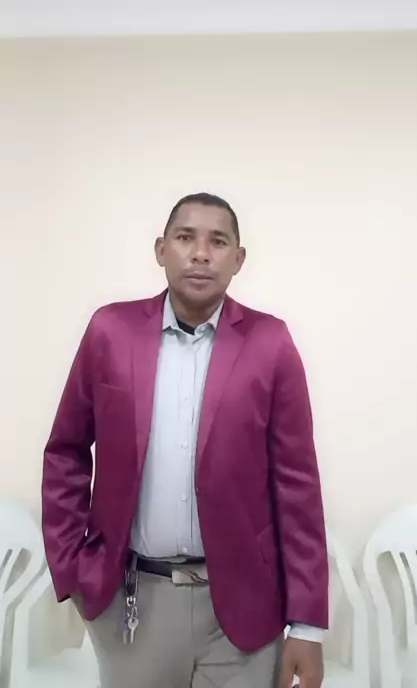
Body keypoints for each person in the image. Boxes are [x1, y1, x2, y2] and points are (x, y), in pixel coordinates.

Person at [42, 192, 328, 688]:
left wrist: (306, 625)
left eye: (218, 242)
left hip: (243, 610)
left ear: (238, 259)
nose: (200, 253)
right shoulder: (110, 331)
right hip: (134, 602)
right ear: (161, 249)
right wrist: (72, 567)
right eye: (185, 237)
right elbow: (66, 452)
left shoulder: (271, 343)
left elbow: (297, 486)